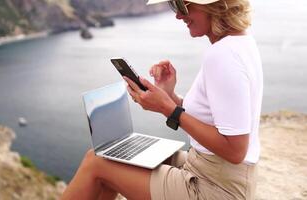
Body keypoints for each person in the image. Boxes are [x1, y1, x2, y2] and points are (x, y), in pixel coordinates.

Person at [61, 0, 263, 199]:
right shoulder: (240, 42)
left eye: (182, 5)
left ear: (215, 5)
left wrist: (168, 109)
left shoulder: (222, 54)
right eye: (174, 6)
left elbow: (235, 150)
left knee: (96, 162)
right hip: (219, 174)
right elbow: (217, 118)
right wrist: (171, 97)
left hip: (215, 188)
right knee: (113, 156)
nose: (178, 15)